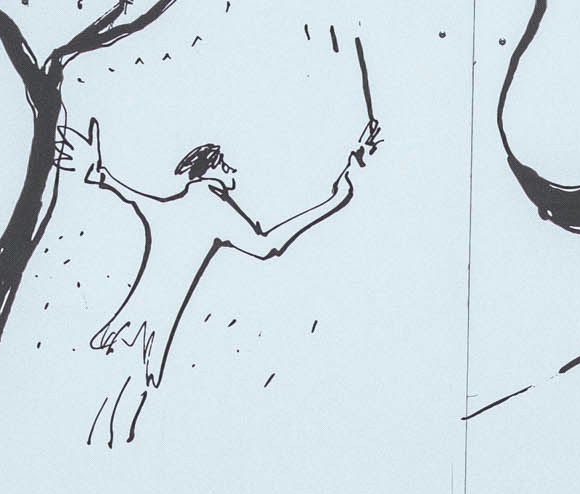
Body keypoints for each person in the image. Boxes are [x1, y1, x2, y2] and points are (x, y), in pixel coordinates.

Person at [67, 118, 371, 447]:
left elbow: (131, 196)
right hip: (153, 326)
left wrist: (101, 175)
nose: (231, 169)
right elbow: (267, 247)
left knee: (117, 393)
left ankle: (101, 453)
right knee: (129, 395)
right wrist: (334, 200)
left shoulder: (174, 206)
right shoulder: (213, 209)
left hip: (137, 320)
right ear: (209, 170)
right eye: (224, 164)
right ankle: (107, 457)